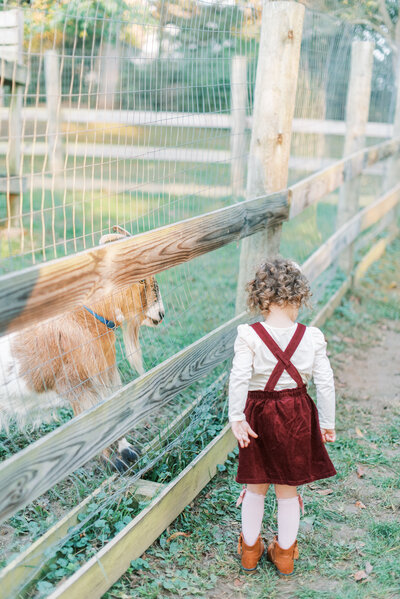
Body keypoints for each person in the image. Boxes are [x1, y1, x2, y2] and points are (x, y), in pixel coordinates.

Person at [229, 257, 336, 577]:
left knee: (255, 485)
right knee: (288, 489)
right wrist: (328, 422)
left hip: (258, 416)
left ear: (260, 298)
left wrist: (237, 416)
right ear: (299, 296)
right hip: (296, 416)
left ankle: (250, 550)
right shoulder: (311, 337)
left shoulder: (249, 335)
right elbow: (326, 381)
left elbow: (237, 377)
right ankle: (285, 554)